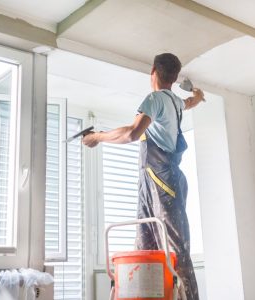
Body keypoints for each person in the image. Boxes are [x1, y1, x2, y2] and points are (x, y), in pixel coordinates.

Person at [82, 53, 204, 300]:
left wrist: (97, 137)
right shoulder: (174, 102)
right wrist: (198, 97)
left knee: (176, 252)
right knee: (146, 247)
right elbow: (188, 102)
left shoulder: (155, 99)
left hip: (163, 181)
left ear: (153, 72)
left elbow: (131, 133)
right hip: (154, 182)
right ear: (174, 77)